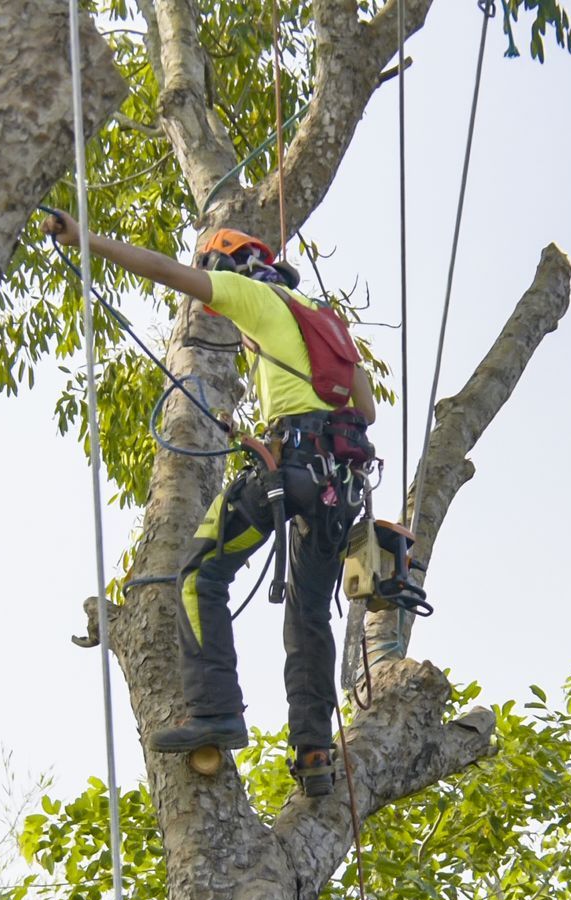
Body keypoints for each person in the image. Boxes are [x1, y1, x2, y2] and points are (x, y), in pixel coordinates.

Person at [41, 211, 378, 797]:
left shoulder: (254, 296)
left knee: (200, 574)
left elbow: (166, 272)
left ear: (231, 269)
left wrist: (84, 238)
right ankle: (315, 750)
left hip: (294, 476)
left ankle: (215, 710)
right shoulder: (327, 326)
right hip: (336, 491)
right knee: (309, 616)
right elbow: (365, 412)